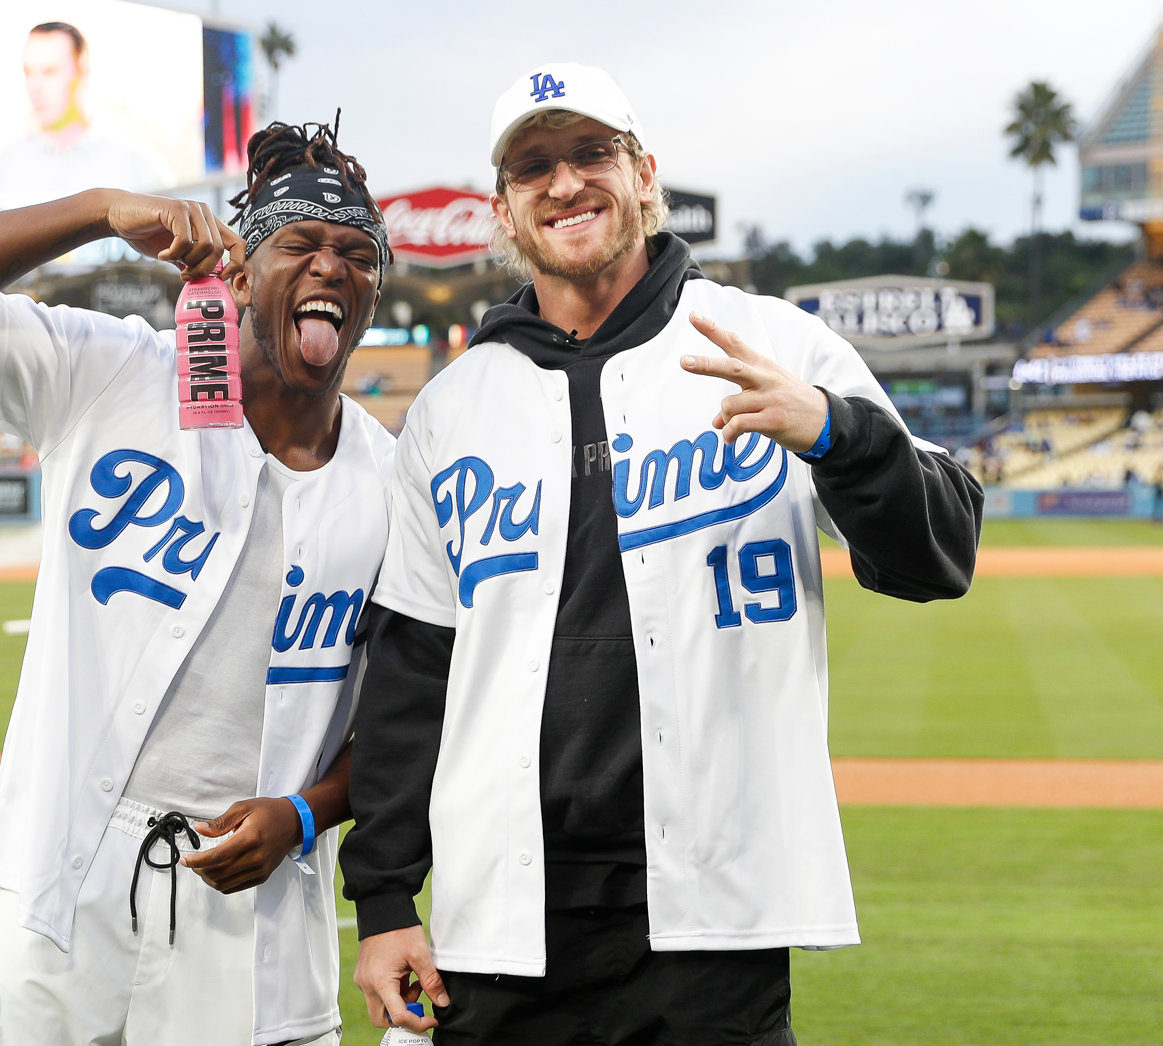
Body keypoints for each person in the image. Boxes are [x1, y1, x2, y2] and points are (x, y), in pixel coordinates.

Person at [341, 64, 983, 1044]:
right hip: (500, 918)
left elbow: (941, 551)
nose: (564, 183)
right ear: (505, 211)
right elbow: (413, 671)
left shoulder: (772, 344)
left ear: (645, 174)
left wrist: (837, 434)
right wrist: (384, 896)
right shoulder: (452, 409)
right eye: (533, 166)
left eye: (591, 153)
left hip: (712, 922)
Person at [0, 117, 395, 1046]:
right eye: (299, 244)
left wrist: (309, 813)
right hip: (56, 902)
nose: (329, 268)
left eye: (355, 253)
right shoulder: (113, 373)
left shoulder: (393, 482)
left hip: (255, 922)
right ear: (237, 272)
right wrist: (99, 209)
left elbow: (403, 711)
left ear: (375, 291)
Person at [0, 21, 176, 208]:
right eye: (28, 72)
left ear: (82, 72)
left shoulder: (138, 167)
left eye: (50, 72)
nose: (35, 87)